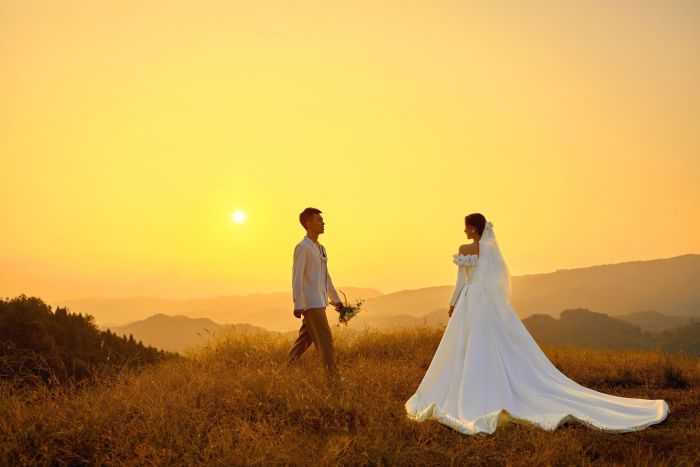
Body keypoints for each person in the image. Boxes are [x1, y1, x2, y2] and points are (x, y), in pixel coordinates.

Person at [405, 213, 669, 434]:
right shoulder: (490, 250)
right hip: (489, 306)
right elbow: (497, 282)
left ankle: (471, 389)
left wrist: (452, 304)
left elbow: (461, 281)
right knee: (495, 346)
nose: (463, 230)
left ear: (472, 228)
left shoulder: (465, 251)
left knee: (466, 347)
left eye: (465, 225)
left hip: (471, 302)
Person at [286, 207, 343, 377]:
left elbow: (326, 277)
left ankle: (284, 371)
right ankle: (334, 381)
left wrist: (336, 300)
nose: (323, 223)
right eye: (319, 220)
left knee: (303, 342)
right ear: (308, 224)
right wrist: (298, 304)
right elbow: (296, 277)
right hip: (311, 304)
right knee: (326, 343)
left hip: (321, 301)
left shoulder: (321, 248)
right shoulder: (302, 247)